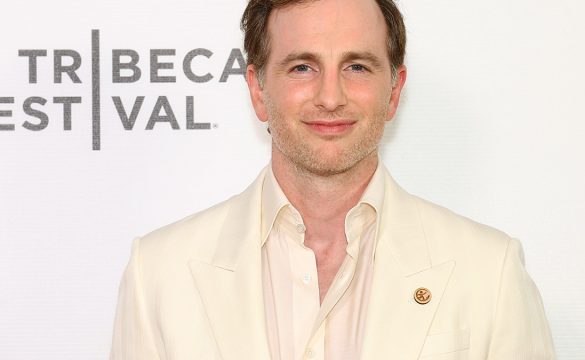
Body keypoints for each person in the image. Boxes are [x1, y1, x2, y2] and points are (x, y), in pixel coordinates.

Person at [110, 0, 556, 359]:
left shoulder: (489, 271)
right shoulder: (160, 273)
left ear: (395, 90)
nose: (330, 97)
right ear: (258, 90)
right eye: (302, 67)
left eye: (356, 67)